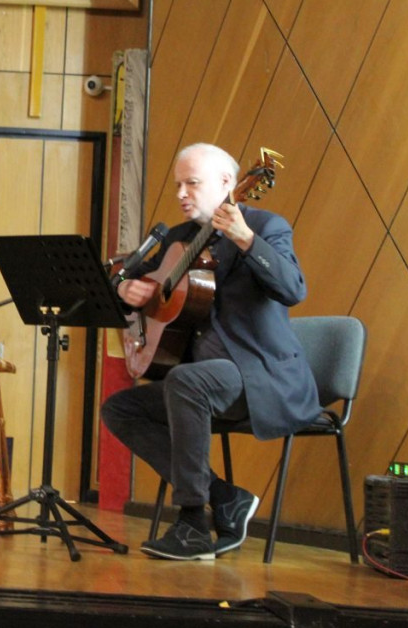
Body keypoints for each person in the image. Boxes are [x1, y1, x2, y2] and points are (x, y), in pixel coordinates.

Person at [101, 143, 321, 560]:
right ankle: (224, 497)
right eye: (178, 184)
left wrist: (246, 241)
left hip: (260, 378)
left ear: (227, 184)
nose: (182, 193)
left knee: (186, 382)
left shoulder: (267, 226)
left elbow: (294, 290)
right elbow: (138, 292)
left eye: (192, 183)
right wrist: (129, 295)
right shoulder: (179, 240)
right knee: (120, 409)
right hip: (201, 384)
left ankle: (192, 526)